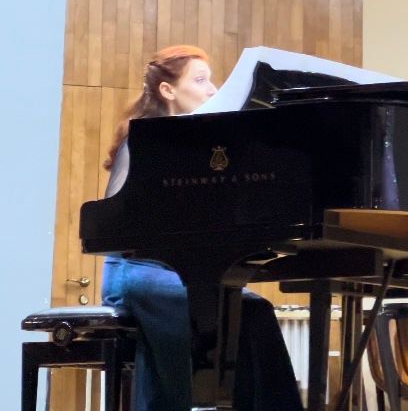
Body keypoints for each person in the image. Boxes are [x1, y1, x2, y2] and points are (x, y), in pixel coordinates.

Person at [101, 45, 303, 411]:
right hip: (139, 273)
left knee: (250, 308)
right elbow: (119, 222)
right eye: (199, 80)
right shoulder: (141, 142)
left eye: (211, 80)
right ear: (167, 90)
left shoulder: (196, 149)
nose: (212, 89)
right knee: (244, 309)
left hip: (178, 271)